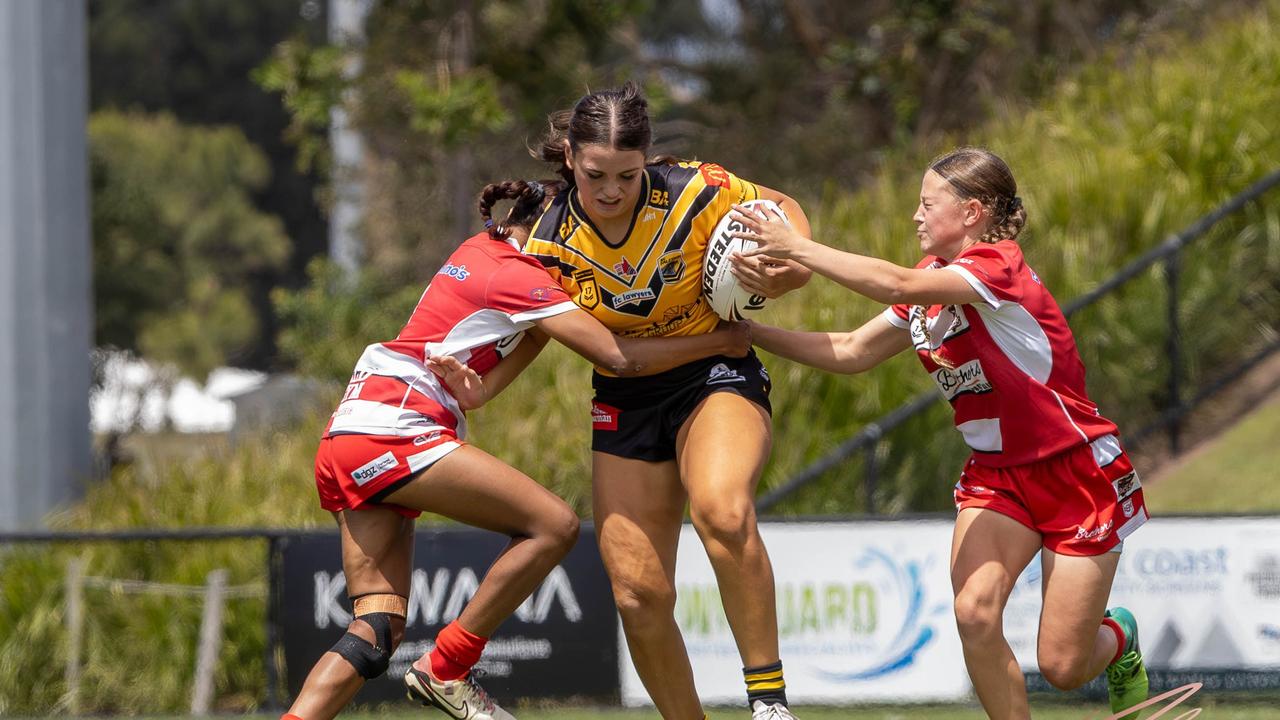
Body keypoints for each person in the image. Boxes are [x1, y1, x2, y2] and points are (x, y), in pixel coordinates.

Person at [281, 179, 751, 720]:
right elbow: (618, 358)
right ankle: (447, 666)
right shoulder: (514, 272)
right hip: (395, 424)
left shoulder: (487, 252)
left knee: (375, 631)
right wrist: (721, 341)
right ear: (551, 223)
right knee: (554, 525)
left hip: (352, 428)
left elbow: (491, 382)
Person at [730, 147, 1150, 720]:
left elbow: (895, 285)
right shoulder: (930, 285)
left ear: (972, 212)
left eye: (927, 204)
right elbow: (854, 351)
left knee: (1063, 667)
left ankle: (1119, 639)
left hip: (1077, 471)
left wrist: (798, 248)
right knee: (975, 613)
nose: (916, 216)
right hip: (998, 476)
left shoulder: (996, 267)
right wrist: (747, 333)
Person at [523, 82, 812, 720]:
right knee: (636, 593)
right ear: (570, 157)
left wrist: (789, 266)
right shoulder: (541, 237)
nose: (609, 191)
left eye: (627, 175)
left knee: (723, 511)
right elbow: (534, 331)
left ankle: (770, 705)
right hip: (625, 394)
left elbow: (784, 209)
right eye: (595, 174)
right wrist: (474, 383)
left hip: (717, 370)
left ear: (647, 160)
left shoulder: (696, 190)